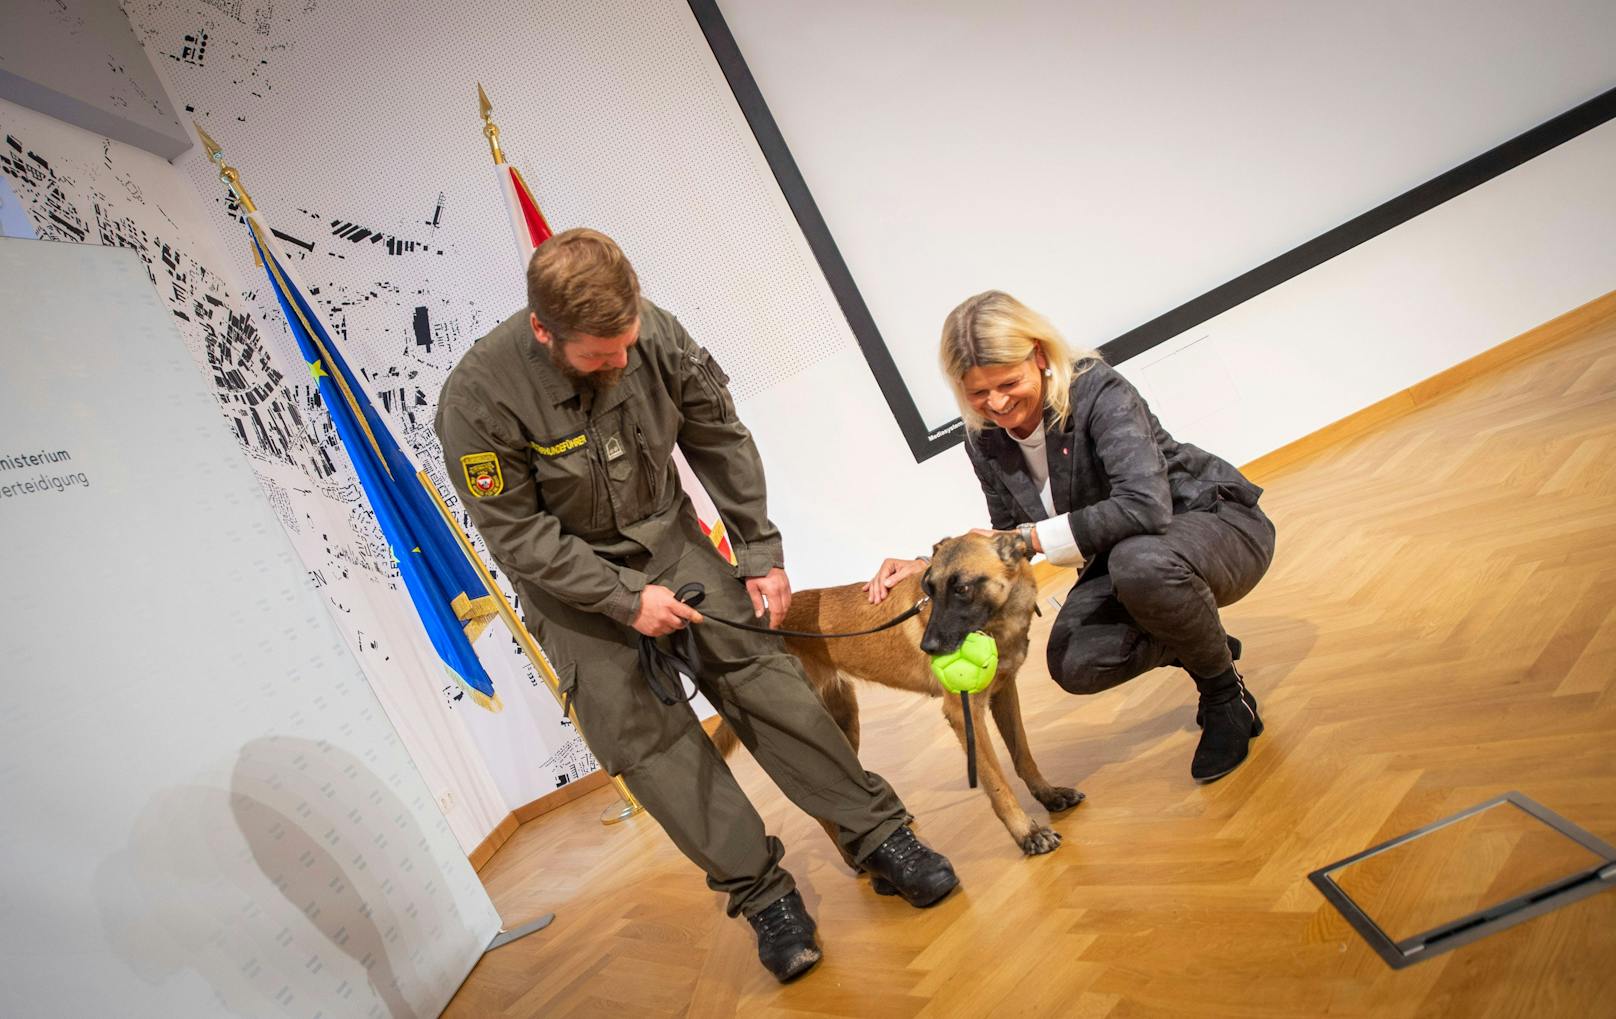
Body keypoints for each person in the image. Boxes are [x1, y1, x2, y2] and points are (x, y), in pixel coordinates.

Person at [435, 228, 957, 983]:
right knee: (649, 745)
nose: (620, 363)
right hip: (570, 587)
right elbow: (517, 533)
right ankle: (765, 896)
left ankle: (879, 835)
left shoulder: (655, 331)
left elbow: (717, 433)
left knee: (766, 679)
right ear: (544, 331)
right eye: (598, 356)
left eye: (626, 343)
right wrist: (619, 599)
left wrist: (758, 549)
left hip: (670, 541)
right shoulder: (478, 399)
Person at [867, 290, 1276, 783]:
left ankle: (1224, 698)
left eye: (1008, 383)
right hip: (1127, 560)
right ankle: (1202, 641)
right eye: (977, 393)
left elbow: (1144, 506)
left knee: (1139, 562)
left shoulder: (1099, 392)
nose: (995, 403)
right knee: (1075, 663)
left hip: (1213, 526)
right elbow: (1005, 539)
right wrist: (932, 568)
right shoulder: (983, 438)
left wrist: (1031, 537)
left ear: (1038, 356)